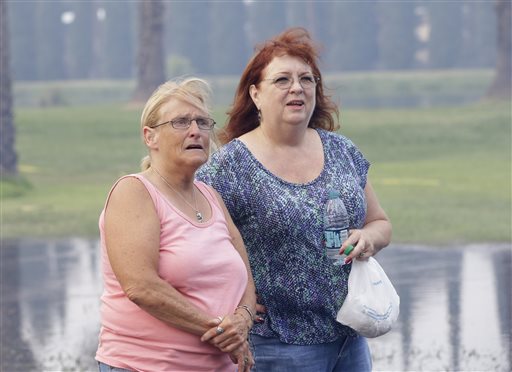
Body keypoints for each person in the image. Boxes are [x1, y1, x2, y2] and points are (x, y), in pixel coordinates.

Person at [196, 28, 392, 371]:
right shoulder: (229, 166)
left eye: (307, 79)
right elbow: (196, 246)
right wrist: (232, 303)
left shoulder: (342, 150)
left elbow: (380, 223)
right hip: (276, 344)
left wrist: (368, 238)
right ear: (255, 93)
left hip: (350, 338)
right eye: (282, 80)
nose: (297, 87)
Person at [95, 77, 256, 372]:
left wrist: (243, 321)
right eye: (181, 122)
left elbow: (245, 277)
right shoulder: (134, 192)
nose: (195, 131)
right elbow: (142, 288)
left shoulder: (211, 197)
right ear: (150, 136)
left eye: (203, 122)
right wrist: (224, 333)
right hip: (145, 365)